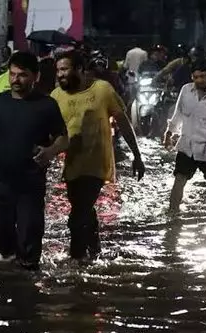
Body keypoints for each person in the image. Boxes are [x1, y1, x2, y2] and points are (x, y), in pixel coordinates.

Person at [51, 50, 146, 260]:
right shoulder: (56, 96)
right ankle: (95, 250)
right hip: (72, 163)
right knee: (82, 207)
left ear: (79, 69)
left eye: (65, 69)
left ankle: (76, 260)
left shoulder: (102, 90)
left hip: (97, 164)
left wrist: (137, 156)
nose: (60, 75)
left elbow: (123, 122)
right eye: (58, 70)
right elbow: (48, 131)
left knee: (77, 215)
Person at [0, 51, 69, 271]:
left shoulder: (46, 105)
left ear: (35, 77)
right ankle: (8, 265)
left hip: (31, 181)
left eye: (22, 75)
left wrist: (50, 151)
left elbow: (63, 138)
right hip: (1, 178)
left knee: (29, 232)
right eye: (12, 74)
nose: (15, 80)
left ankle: (28, 283)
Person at [164, 59, 206, 213]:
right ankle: (172, 214)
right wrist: (169, 133)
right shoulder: (185, 90)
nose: (199, 81)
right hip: (187, 146)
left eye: (202, 77)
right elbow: (178, 114)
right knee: (179, 180)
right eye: (195, 77)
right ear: (192, 77)